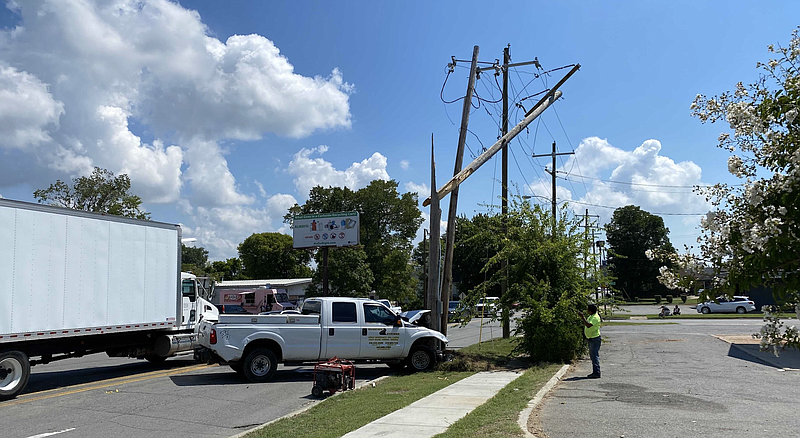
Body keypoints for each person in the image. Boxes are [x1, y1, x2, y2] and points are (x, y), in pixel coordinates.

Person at [578, 304, 601, 379]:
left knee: (594, 356)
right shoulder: (591, 316)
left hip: (594, 338)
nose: (587, 311)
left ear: (591, 310)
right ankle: (595, 372)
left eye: (588, 309)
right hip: (591, 338)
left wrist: (582, 317)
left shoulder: (595, 317)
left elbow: (588, 325)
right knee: (592, 355)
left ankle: (597, 372)